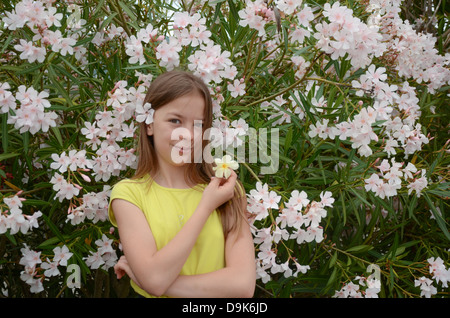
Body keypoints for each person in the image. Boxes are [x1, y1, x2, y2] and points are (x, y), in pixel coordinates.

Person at [108, 70, 256, 298]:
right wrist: (206, 206)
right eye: (175, 120)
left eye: (198, 124)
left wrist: (147, 279)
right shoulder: (128, 195)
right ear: (149, 124)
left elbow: (242, 286)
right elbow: (155, 281)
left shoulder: (226, 189)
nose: (188, 134)